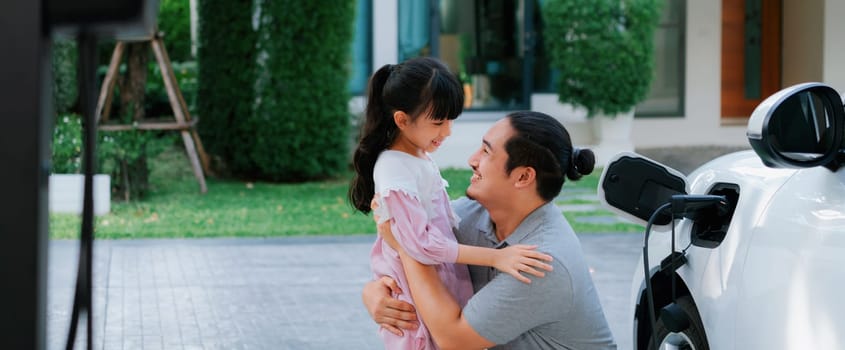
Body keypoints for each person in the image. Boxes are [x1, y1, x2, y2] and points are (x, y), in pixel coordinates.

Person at [363, 111, 617, 349]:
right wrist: (375, 293)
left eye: (486, 151)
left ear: (523, 177)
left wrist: (407, 246)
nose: (472, 160)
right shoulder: (472, 214)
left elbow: (453, 338)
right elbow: (410, 244)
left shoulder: (542, 261)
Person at [349, 58, 554, 350]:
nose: (447, 132)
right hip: (416, 287)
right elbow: (422, 246)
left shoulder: (414, 156)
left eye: (451, 120)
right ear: (402, 120)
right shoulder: (394, 169)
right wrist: (497, 258)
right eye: (438, 122)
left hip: (435, 273)